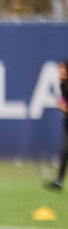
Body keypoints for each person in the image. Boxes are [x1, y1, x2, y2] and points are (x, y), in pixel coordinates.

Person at [49, 58, 68, 190]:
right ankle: (58, 181)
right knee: (64, 151)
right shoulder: (63, 84)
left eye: (63, 69)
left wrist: (63, 108)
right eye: (59, 69)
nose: (60, 72)